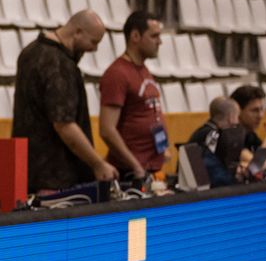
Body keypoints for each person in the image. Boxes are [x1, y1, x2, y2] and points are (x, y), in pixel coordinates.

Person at [11, 10, 116, 192]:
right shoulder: (59, 64)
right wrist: (98, 164)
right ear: (78, 32)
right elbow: (64, 125)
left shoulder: (29, 52)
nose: (94, 49)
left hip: (24, 172)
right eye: (93, 42)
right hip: (55, 179)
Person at [98, 10, 169, 177]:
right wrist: (135, 165)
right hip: (130, 172)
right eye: (154, 36)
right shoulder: (117, 73)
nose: (160, 42)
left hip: (148, 167)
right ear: (135, 36)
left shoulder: (143, 69)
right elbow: (107, 129)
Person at [186, 96, 243, 187]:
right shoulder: (213, 135)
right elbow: (212, 168)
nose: (237, 122)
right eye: (237, 116)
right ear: (231, 117)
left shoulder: (202, 131)